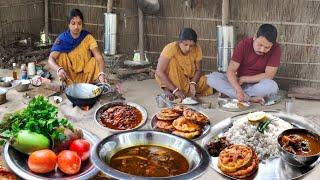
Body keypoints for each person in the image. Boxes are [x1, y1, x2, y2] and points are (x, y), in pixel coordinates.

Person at [207, 24, 280, 103]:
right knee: (212, 78)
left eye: (267, 47)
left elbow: (269, 75)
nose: (262, 50)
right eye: (260, 45)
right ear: (255, 37)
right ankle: (249, 98)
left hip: (258, 86)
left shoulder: (276, 48)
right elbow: (231, 70)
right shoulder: (243, 45)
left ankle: (235, 95)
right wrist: (238, 89)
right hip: (239, 84)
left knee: (272, 86)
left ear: (272, 45)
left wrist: (244, 79)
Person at [48, 8, 107, 85]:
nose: (76, 27)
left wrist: (101, 73)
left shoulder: (88, 37)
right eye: (73, 23)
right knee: (61, 56)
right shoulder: (62, 39)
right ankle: (69, 84)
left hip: (86, 75)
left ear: (82, 25)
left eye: (79, 23)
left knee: (95, 60)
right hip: (69, 76)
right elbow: (50, 59)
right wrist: (58, 69)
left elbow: (99, 57)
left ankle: (87, 84)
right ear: (68, 24)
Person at [155, 28, 213, 100]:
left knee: (208, 81)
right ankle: (168, 89)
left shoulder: (197, 48)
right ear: (179, 42)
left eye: (191, 46)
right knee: (172, 62)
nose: (188, 48)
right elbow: (159, 71)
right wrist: (176, 90)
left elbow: (198, 70)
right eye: (185, 44)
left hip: (189, 79)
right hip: (175, 78)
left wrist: (193, 83)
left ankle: (181, 91)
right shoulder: (170, 48)